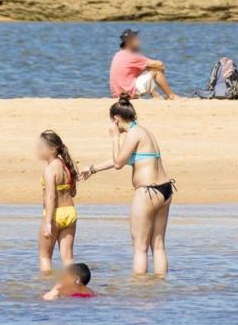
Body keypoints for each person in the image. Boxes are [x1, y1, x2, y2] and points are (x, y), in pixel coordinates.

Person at [81, 94, 174, 275]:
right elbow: (126, 158)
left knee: (139, 247)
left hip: (147, 192)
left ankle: (139, 292)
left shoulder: (132, 134)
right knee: (158, 245)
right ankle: (160, 288)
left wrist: (115, 138)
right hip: (165, 190)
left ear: (116, 119)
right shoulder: (144, 132)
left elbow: (118, 163)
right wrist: (92, 169)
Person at [37, 130, 79, 272]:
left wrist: (48, 222)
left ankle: (46, 287)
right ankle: (72, 286)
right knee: (67, 258)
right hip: (70, 212)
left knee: (45, 257)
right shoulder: (65, 165)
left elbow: (51, 197)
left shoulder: (50, 169)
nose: (38, 150)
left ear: (53, 149)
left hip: (54, 215)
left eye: (41, 147)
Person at [109, 28, 178, 100]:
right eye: (137, 40)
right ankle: (171, 96)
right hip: (128, 94)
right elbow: (160, 64)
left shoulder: (117, 54)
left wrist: (147, 67)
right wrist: (159, 68)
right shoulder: (132, 56)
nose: (139, 42)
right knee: (157, 70)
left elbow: (137, 72)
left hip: (118, 95)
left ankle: (155, 95)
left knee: (144, 69)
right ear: (129, 42)